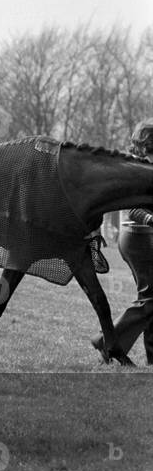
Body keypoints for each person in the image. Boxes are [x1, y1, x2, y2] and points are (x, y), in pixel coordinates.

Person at [92, 118, 153, 364]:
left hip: (144, 238)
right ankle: (107, 342)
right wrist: (151, 219)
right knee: (150, 299)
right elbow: (132, 210)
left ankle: (152, 358)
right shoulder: (137, 169)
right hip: (137, 239)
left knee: (149, 298)